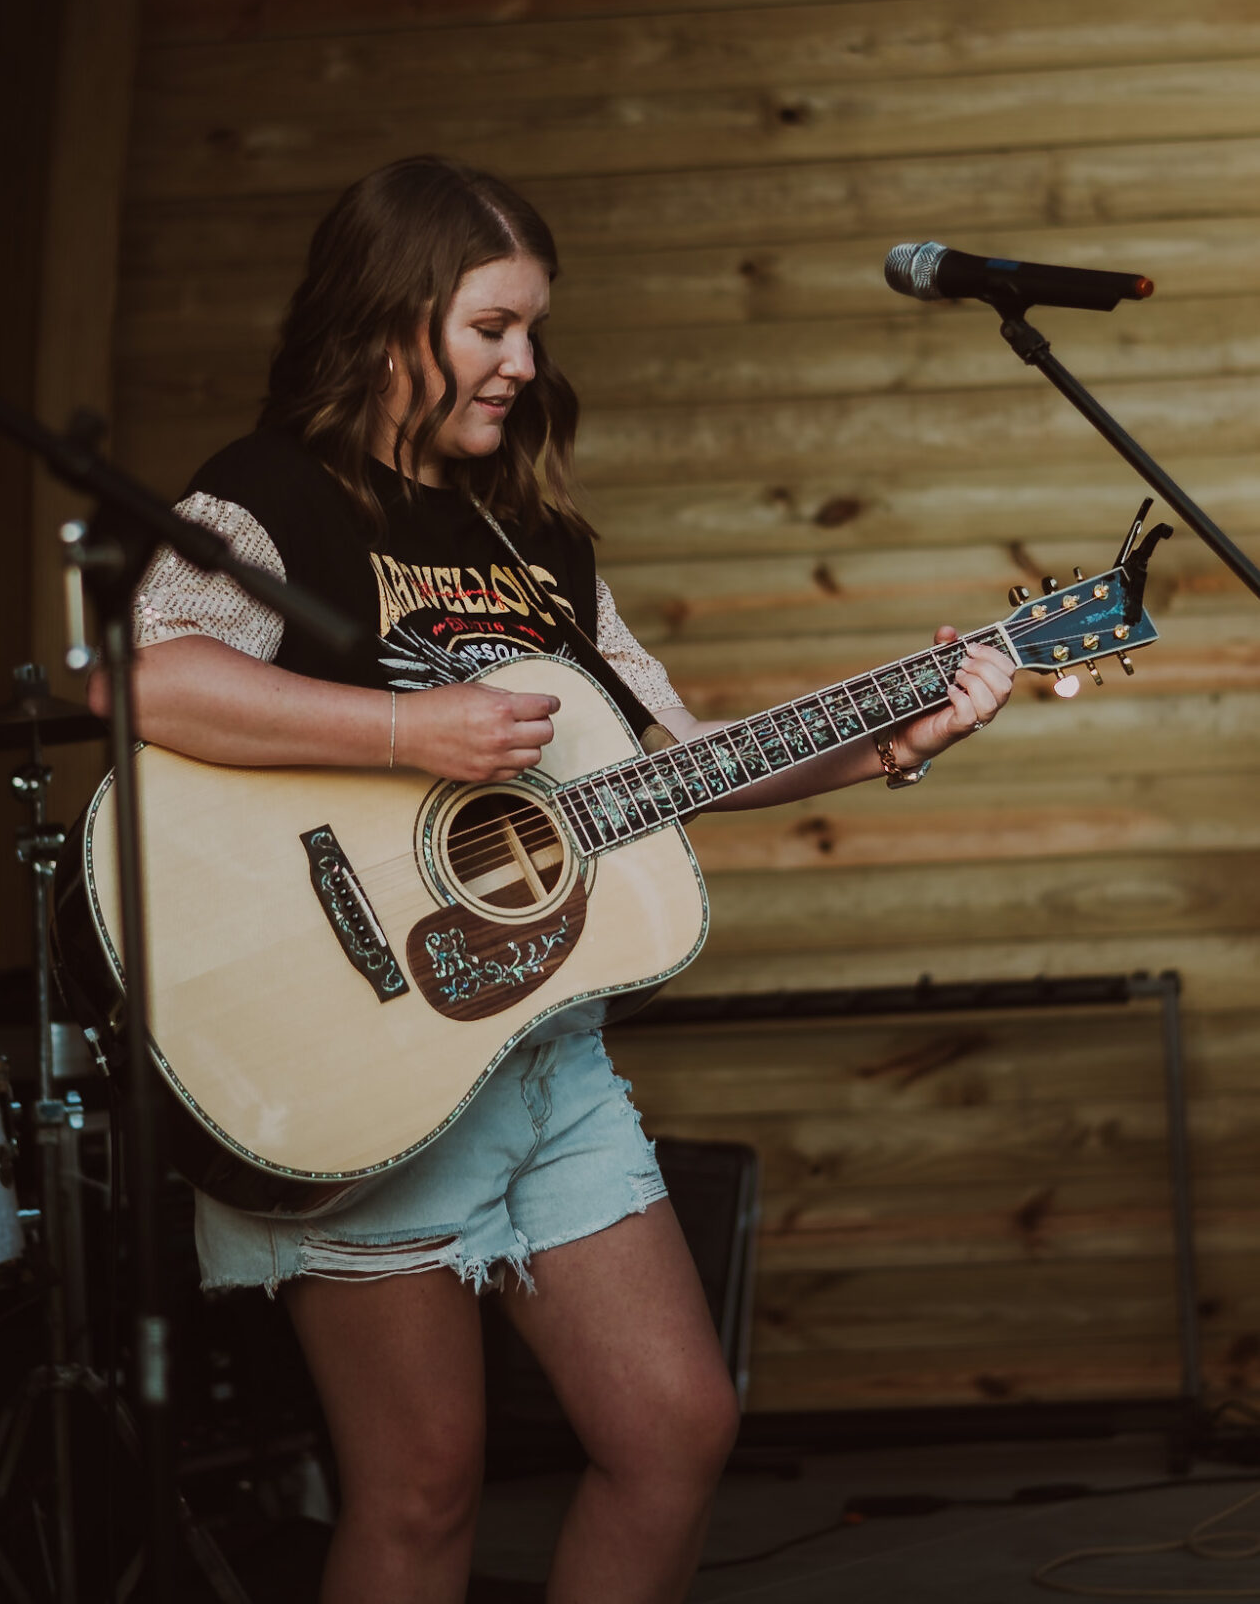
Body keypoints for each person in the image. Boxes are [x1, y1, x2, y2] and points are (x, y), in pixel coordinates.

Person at [109, 155, 1015, 1604]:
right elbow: (151, 679)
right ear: (382, 318)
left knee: (673, 1429)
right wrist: (411, 728)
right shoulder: (268, 492)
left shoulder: (530, 537)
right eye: (490, 328)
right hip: (361, 1051)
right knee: (418, 1491)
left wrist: (886, 742)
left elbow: (669, 761)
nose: (524, 364)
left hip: (541, 1054)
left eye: (532, 330)